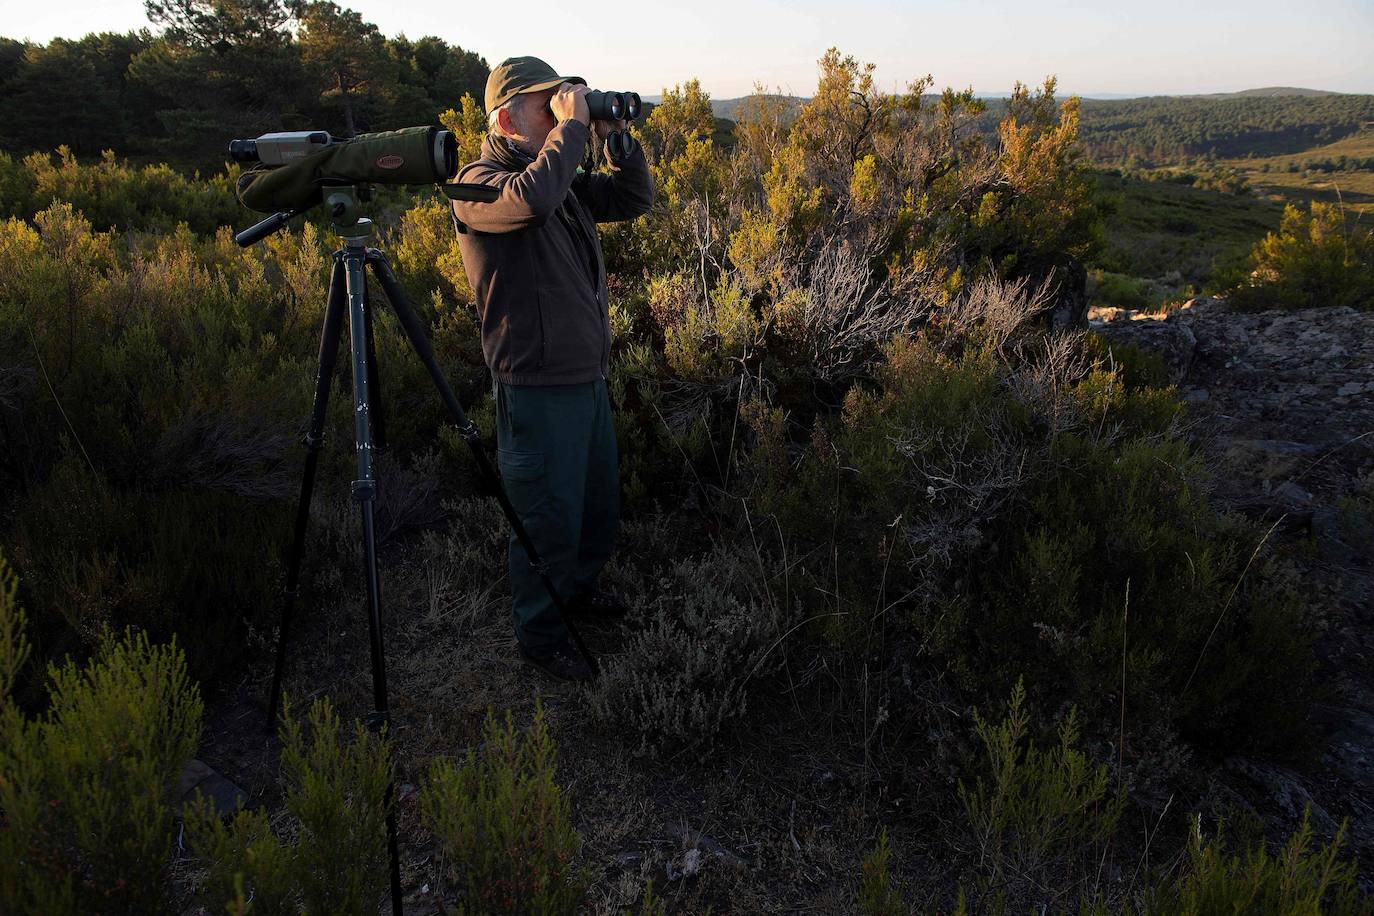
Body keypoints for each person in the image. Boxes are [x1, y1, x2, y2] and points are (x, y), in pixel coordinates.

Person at [450, 57, 655, 682]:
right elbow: (533, 201)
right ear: (508, 119)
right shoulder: (476, 183)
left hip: (583, 374)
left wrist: (614, 139)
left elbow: (631, 198)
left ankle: (580, 591)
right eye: (551, 105)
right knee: (546, 513)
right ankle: (541, 633)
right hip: (536, 381)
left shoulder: (554, 174)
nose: (564, 113)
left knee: (593, 502)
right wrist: (570, 132)